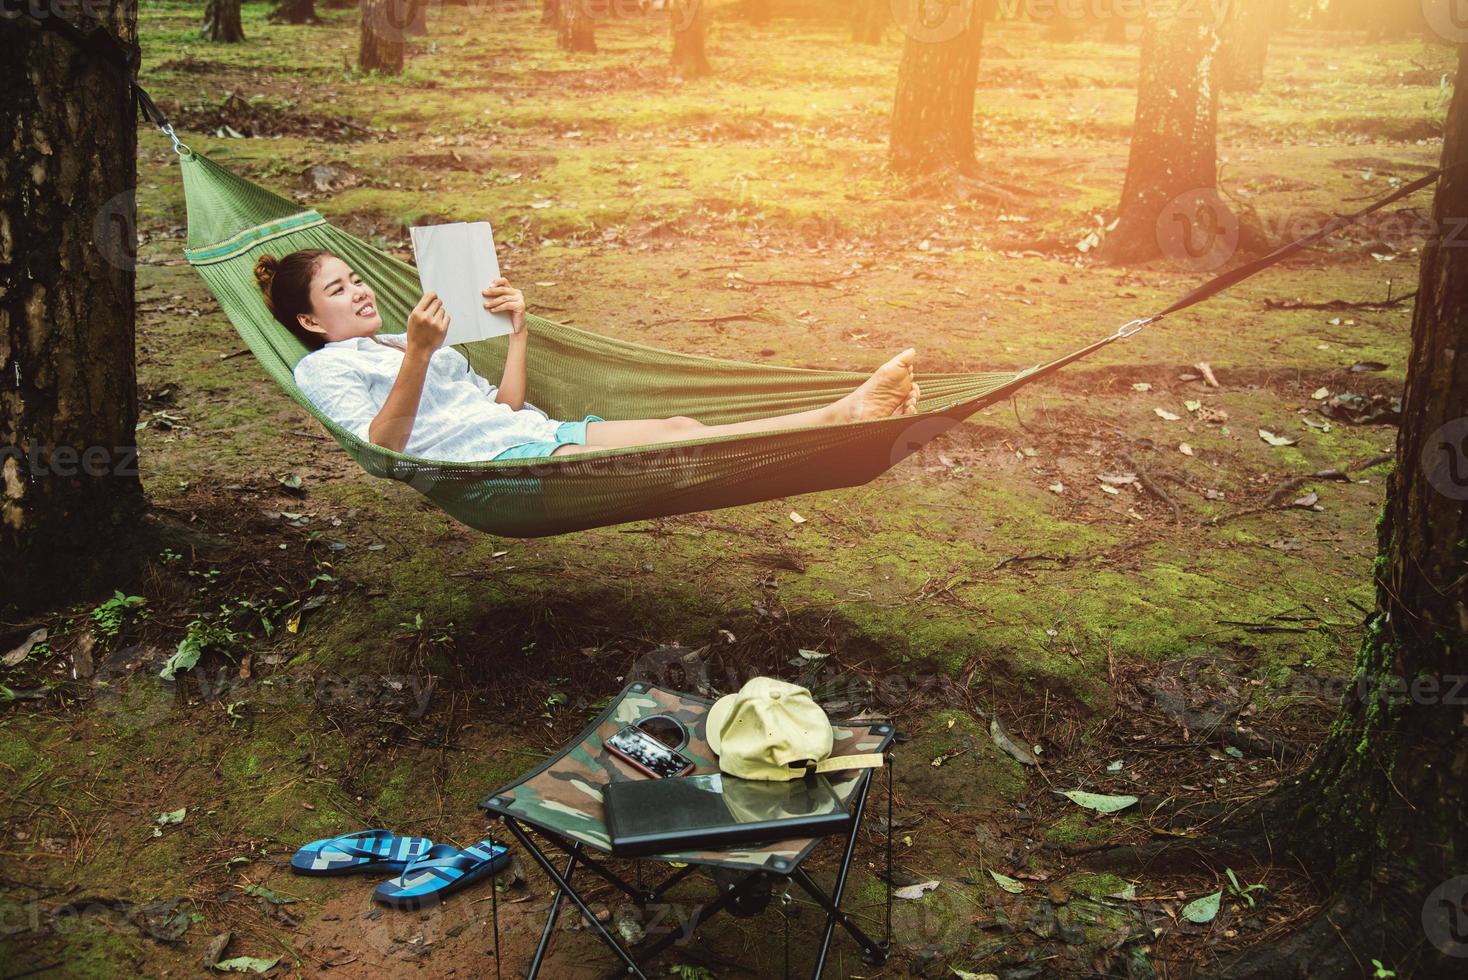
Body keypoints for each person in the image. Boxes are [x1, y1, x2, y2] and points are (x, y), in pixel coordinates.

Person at [253, 249, 921, 463]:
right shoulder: (324, 367)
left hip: (527, 430)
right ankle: (841, 417)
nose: (361, 291)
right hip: (496, 467)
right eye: (338, 290)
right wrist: (420, 357)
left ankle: (845, 415)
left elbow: (505, 405)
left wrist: (518, 331)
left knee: (684, 430)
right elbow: (382, 445)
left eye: (358, 278)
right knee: (680, 452)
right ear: (310, 319)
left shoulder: (403, 339)